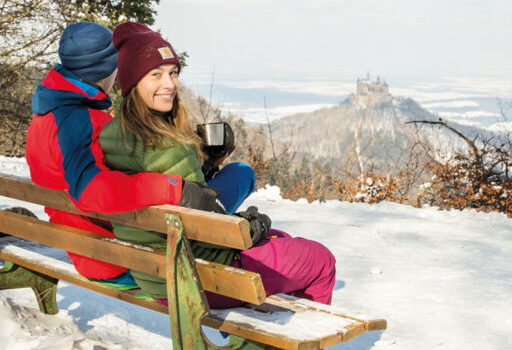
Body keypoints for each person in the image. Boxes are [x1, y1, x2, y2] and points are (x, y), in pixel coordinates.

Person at [99, 21, 336, 307]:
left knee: (282, 239)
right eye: (156, 75)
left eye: (173, 73)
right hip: (196, 278)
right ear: (133, 81)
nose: (170, 83)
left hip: (153, 274)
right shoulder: (167, 143)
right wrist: (250, 228)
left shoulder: (111, 135)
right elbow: (202, 229)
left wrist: (205, 166)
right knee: (321, 260)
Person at [25, 21, 224, 286]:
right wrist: (174, 189)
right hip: (117, 258)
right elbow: (90, 191)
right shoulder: (79, 120)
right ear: (107, 68)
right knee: (239, 177)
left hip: (86, 247)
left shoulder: (47, 113)